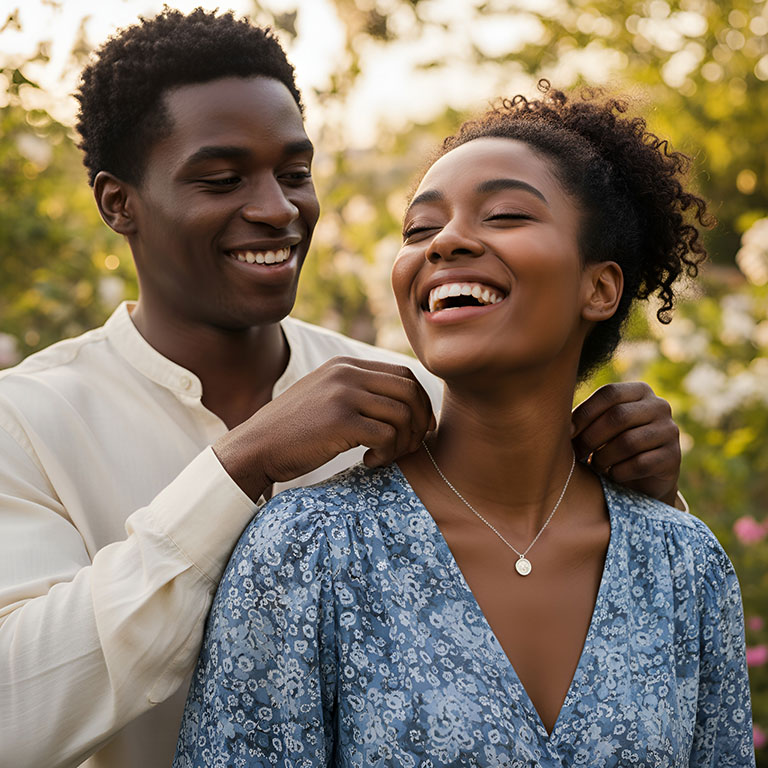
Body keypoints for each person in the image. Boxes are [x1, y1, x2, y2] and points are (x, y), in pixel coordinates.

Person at [0, 10, 684, 768]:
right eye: (223, 179)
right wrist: (241, 465)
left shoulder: (419, 396)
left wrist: (641, 496)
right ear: (117, 203)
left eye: (295, 173)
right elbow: (14, 715)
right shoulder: (26, 419)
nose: (277, 208)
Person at [174, 84, 755, 767]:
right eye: (420, 230)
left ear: (599, 288)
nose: (446, 241)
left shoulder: (683, 564)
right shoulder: (306, 551)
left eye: (505, 215)